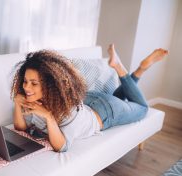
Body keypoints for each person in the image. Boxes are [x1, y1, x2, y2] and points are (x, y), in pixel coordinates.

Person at [11, 44, 168, 152]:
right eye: (25, 81)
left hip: (106, 111)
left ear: (50, 85)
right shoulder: (34, 99)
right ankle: (138, 70)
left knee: (142, 108)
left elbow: (62, 146)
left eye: (33, 83)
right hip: (90, 100)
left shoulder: (67, 111)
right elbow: (21, 128)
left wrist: (48, 116)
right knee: (119, 98)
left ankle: (130, 68)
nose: (26, 87)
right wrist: (18, 104)